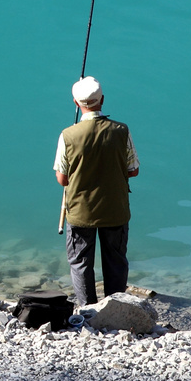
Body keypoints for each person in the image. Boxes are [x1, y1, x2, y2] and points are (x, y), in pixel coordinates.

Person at [53, 76, 139, 305]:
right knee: (116, 261)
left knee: (81, 263)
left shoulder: (68, 135)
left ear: (76, 103)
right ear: (102, 100)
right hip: (115, 210)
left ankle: (88, 312)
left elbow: (62, 179)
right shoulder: (122, 131)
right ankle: (116, 307)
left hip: (81, 213)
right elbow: (133, 170)